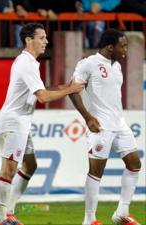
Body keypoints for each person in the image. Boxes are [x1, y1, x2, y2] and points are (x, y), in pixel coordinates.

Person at [0, 22, 85, 225]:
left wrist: (66, 86)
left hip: (22, 123)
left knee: (30, 165)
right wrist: (70, 90)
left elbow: (42, 90)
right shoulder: (25, 62)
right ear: (29, 40)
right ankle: (0, 219)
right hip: (13, 122)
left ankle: (9, 211)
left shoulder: (30, 63)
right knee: (8, 170)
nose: (46, 41)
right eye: (42, 37)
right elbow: (43, 97)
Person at [69, 29, 142, 225]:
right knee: (96, 172)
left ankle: (121, 213)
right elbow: (73, 90)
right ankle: (89, 219)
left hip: (119, 124)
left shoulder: (116, 66)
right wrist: (88, 117)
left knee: (135, 164)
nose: (125, 49)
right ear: (111, 47)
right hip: (100, 126)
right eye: (123, 46)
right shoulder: (89, 63)